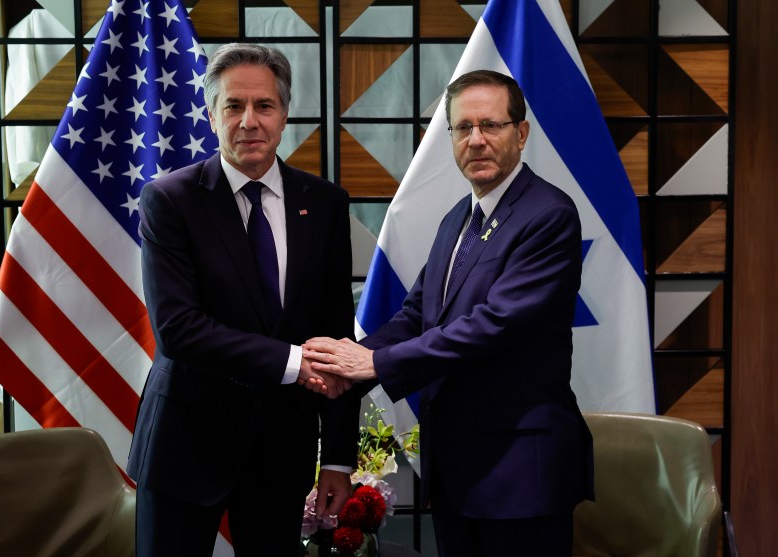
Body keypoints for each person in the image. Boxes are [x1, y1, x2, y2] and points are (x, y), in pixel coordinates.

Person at [303, 70, 594, 556]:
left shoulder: (549, 215)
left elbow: (493, 326)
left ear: (520, 134)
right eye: (463, 128)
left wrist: (373, 365)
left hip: (521, 475)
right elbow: (417, 315)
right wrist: (346, 361)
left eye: (491, 126)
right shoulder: (459, 216)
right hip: (458, 471)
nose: (476, 140)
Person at [126, 43, 360, 557]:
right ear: (212, 115)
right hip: (184, 447)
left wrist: (340, 457)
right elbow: (179, 329)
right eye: (234, 106)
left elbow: (338, 331)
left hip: (281, 450)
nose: (249, 121)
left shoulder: (323, 204)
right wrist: (296, 363)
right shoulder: (169, 200)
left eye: (264, 106)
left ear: (283, 115)